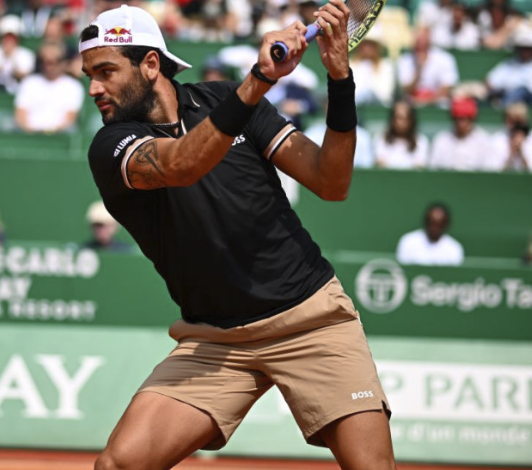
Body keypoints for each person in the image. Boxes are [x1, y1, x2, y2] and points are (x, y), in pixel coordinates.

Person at [80, 5, 395, 470]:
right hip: (215, 339)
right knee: (119, 465)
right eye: (88, 74)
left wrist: (339, 79)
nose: (94, 89)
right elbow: (182, 164)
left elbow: (332, 182)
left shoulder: (224, 98)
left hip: (310, 318)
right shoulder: (111, 146)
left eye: (105, 71)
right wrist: (259, 80)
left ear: (150, 65)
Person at [14, 43, 84, 132]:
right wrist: (33, 132)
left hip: (59, 137)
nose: (50, 66)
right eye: (46, 61)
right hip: (29, 136)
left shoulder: (74, 86)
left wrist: (50, 133)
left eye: (55, 61)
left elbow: (70, 118)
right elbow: (20, 115)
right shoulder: (28, 83)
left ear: (63, 62)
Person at [397, 27, 459, 106]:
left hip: (438, 105)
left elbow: (447, 88)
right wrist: (418, 70)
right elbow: (406, 90)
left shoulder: (445, 59)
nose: (421, 44)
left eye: (423, 40)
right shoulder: (404, 61)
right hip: (412, 106)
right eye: (418, 41)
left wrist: (426, 101)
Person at [429, 96, 491, 171]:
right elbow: (433, 168)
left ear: (472, 119)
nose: (462, 123)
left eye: (466, 118)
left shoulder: (484, 140)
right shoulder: (442, 139)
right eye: (458, 118)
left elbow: (488, 170)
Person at [486, 23, 532, 107]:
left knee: (522, 91)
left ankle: (503, 104)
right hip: (510, 100)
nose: (525, 51)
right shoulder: (509, 64)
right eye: (523, 48)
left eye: (529, 48)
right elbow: (490, 82)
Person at [0, 15, 35, 93]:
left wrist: (12, 58)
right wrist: (3, 57)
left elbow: (25, 78)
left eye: (12, 37)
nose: (9, 40)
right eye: (6, 36)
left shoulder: (26, 54)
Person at [396, 203, 464, 266]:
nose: (434, 228)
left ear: (445, 225)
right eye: (432, 223)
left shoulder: (454, 248)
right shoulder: (408, 241)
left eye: (439, 225)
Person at [374, 100, 429, 169]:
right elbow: (380, 164)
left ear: (411, 120)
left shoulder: (421, 141)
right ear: (392, 119)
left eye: (405, 118)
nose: (401, 122)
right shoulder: (381, 139)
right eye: (398, 117)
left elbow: (419, 167)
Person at [349, 25, 395, 106]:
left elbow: (386, 95)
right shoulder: (350, 64)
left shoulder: (387, 66)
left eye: (371, 44)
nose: (368, 48)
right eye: (365, 43)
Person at [488, 102, 532, 172]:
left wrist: (520, 151)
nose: (515, 126)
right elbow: (497, 173)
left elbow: (531, 172)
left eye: (519, 121)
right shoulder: (497, 139)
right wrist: (512, 153)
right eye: (511, 121)